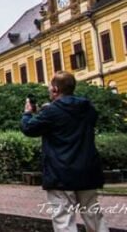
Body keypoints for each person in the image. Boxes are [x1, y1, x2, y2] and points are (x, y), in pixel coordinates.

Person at [21, 71, 108, 232]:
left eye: (49, 88)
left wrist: (27, 113)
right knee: (94, 217)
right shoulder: (87, 108)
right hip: (87, 170)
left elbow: (29, 129)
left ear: (55, 89)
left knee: (64, 220)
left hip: (60, 173)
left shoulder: (51, 112)